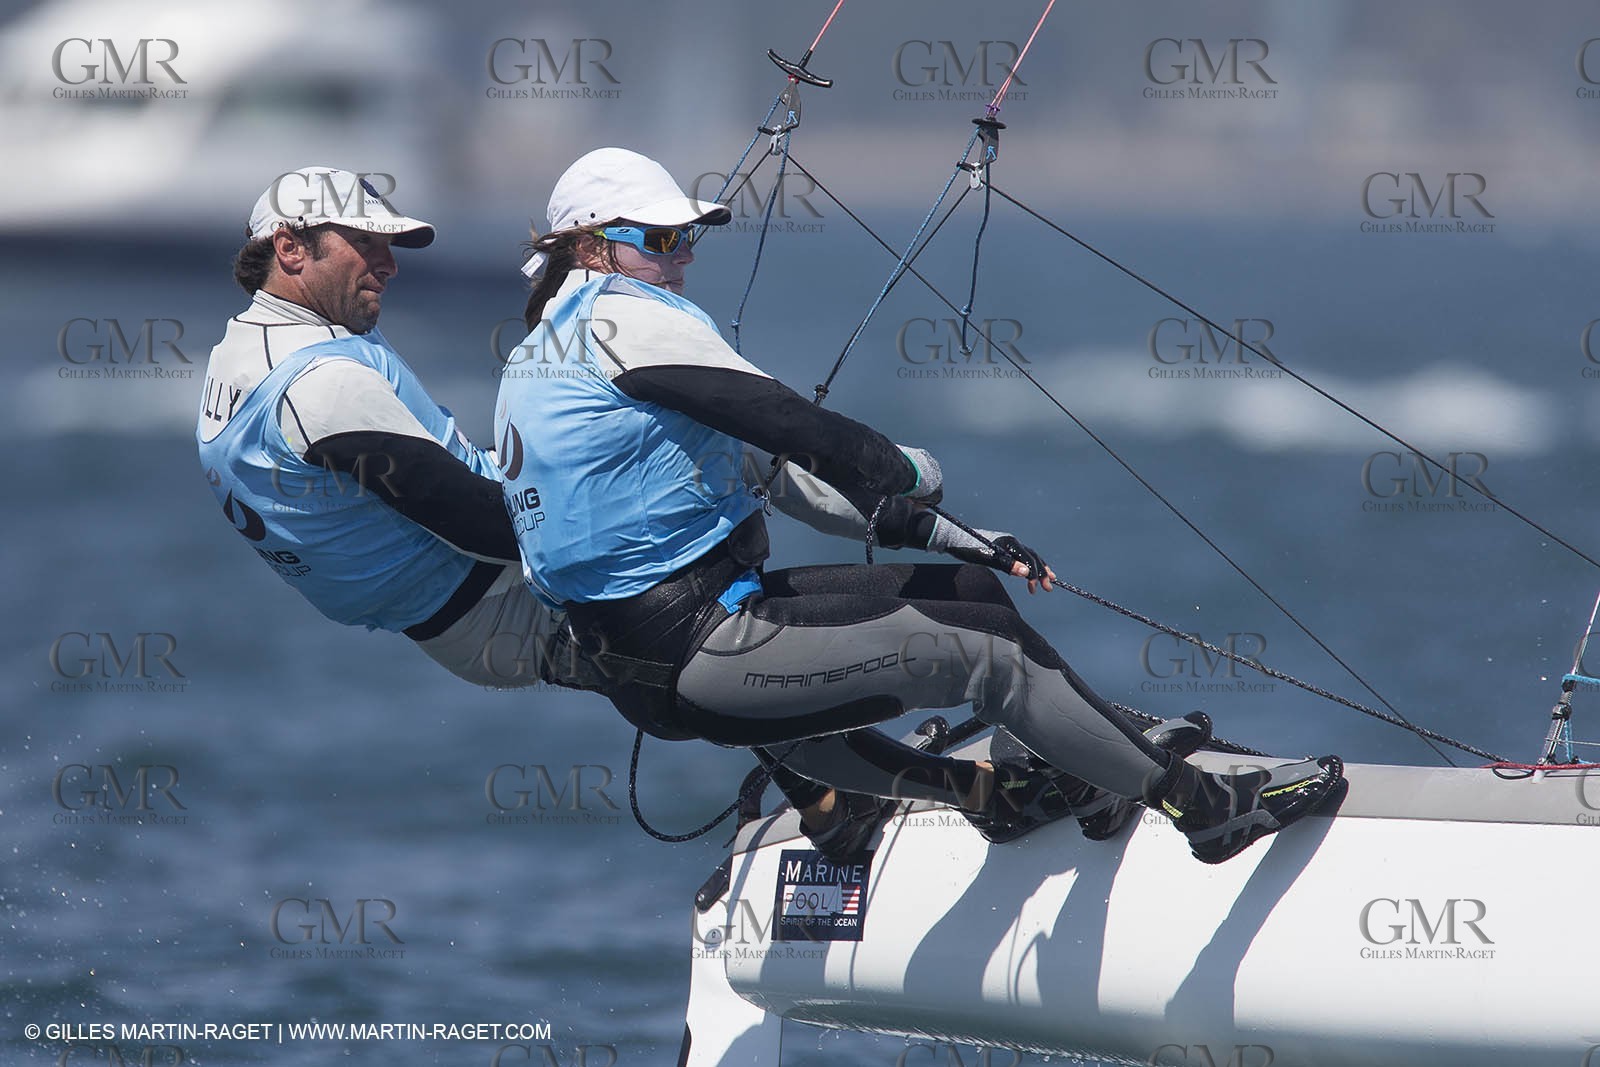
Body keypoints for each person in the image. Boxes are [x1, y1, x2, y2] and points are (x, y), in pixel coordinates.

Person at [494, 147, 1344, 864]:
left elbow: (775, 471)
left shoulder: (543, 353)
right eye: (663, 239)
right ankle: (1204, 809)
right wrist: (901, 469)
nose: (682, 259)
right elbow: (794, 426)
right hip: (700, 648)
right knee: (991, 652)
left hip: (653, 655)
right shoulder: (626, 321)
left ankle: (1006, 788)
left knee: (970, 596)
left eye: (688, 239)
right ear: (595, 247)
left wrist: (959, 538)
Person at [197, 166, 598, 691]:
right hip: (504, 610)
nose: (389, 266)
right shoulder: (321, 384)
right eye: (365, 243)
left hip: (469, 606)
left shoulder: (249, 344)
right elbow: (485, 525)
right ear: (290, 248)